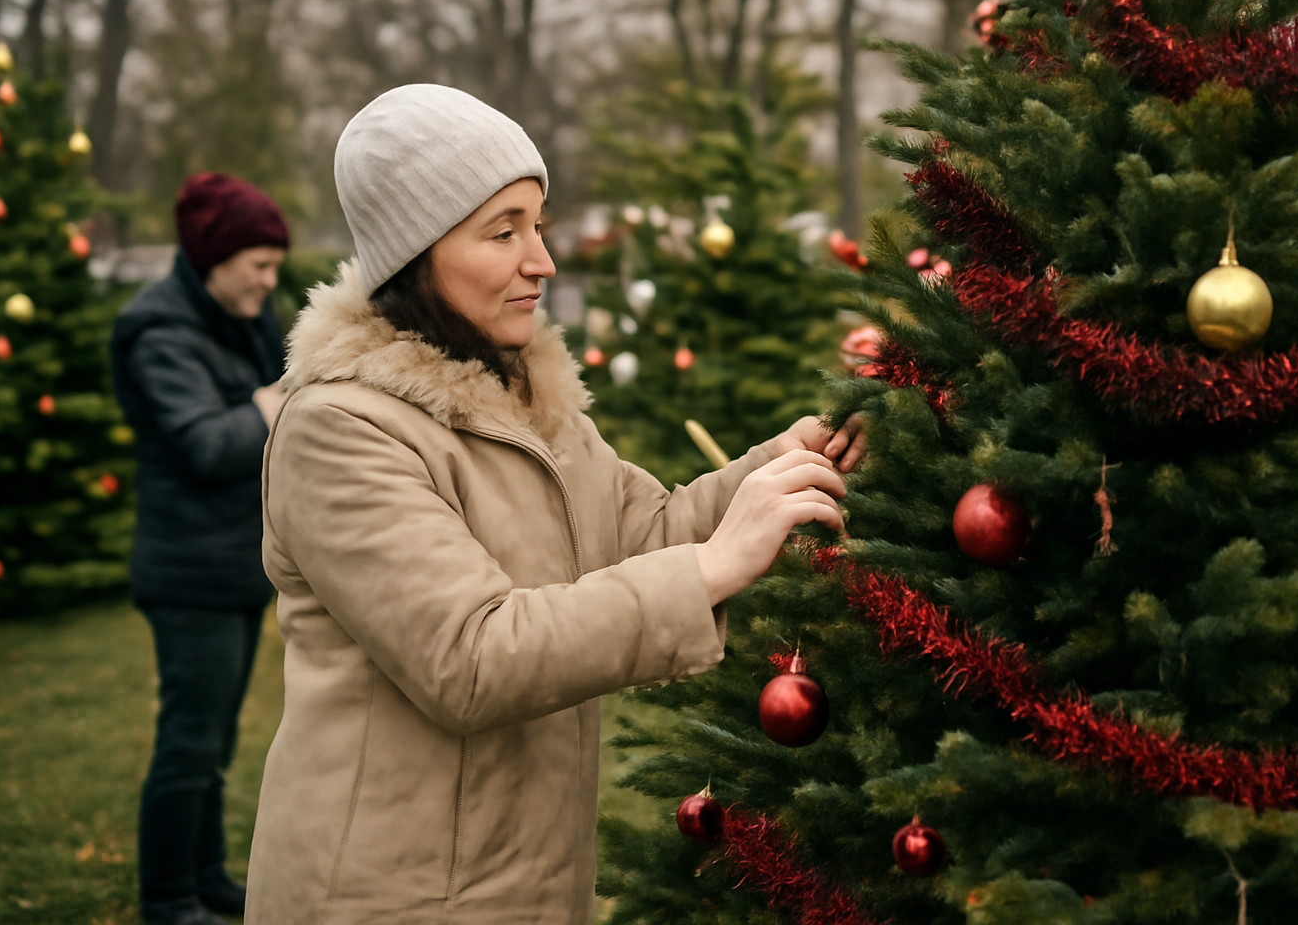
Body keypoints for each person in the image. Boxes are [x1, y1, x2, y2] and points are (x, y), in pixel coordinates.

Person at [245, 83, 864, 923]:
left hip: (526, 880)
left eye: (537, 224)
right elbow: (472, 657)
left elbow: (641, 532)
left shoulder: (528, 400)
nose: (542, 259)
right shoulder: (342, 430)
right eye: (503, 232)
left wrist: (788, 464)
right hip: (392, 893)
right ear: (414, 255)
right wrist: (714, 565)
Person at [110, 173, 290, 925]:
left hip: (234, 564)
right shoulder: (159, 331)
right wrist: (267, 406)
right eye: (260, 264)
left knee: (212, 743)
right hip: (189, 572)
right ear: (216, 257)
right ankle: (168, 900)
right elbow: (204, 444)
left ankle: (208, 878)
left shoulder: (236, 315)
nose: (271, 281)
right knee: (188, 745)